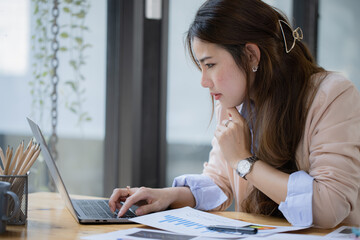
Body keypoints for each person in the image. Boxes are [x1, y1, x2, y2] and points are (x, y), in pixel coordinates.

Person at [109, 0, 360, 228]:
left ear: (251, 55)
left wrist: (244, 161)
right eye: (201, 67)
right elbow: (220, 181)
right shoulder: (234, 103)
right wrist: (167, 196)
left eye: (210, 65)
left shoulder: (332, 95)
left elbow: (329, 207)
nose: (204, 81)